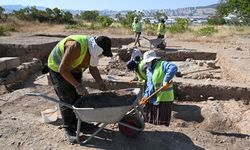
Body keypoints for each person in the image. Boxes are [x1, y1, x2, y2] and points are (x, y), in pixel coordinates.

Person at [47, 35, 112, 143]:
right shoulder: (76, 46)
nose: (101, 56)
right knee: (67, 98)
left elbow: (93, 67)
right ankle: (68, 127)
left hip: (74, 67)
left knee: (78, 97)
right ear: (97, 50)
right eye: (102, 54)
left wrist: (100, 81)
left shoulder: (93, 49)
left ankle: (79, 123)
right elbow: (63, 69)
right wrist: (77, 85)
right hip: (58, 68)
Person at [141, 50, 177, 126]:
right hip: (152, 98)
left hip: (164, 98)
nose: (147, 63)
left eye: (148, 61)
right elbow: (149, 84)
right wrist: (145, 96)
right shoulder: (149, 70)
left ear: (153, 60)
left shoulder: (162, 64)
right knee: (152, 121)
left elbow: (173, 67)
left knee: (161, 122)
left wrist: (166, 80)